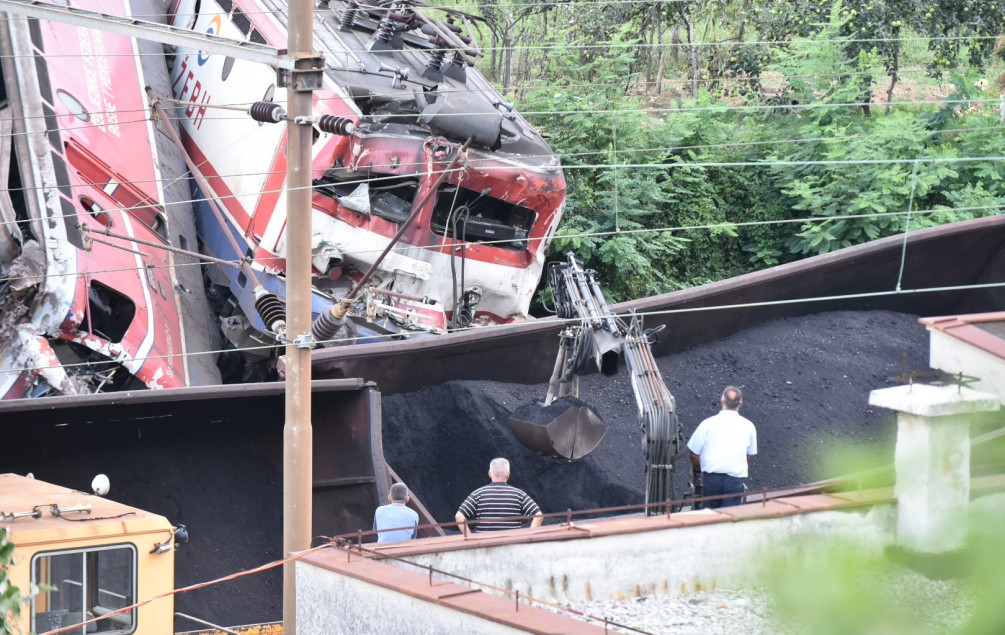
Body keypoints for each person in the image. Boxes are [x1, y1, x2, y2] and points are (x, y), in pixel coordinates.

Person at [687, 386, 757, 509]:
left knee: (710, 516)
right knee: (729, 518)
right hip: (735, 480)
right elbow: (748, 454)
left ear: (722, 402)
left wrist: (699, 467)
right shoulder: (749, 426)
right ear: (740, 404)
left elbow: (694, 454)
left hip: (712, 479)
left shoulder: (707, 424)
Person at [454, 457, 543, 533]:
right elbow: (538, 515)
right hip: (513, 547)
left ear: (490, 474)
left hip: (485, 549)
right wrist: (530, 537)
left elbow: (459, 516)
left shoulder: (478, 494)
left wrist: (469, 537)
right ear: (508, 475)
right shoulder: (519, 495)